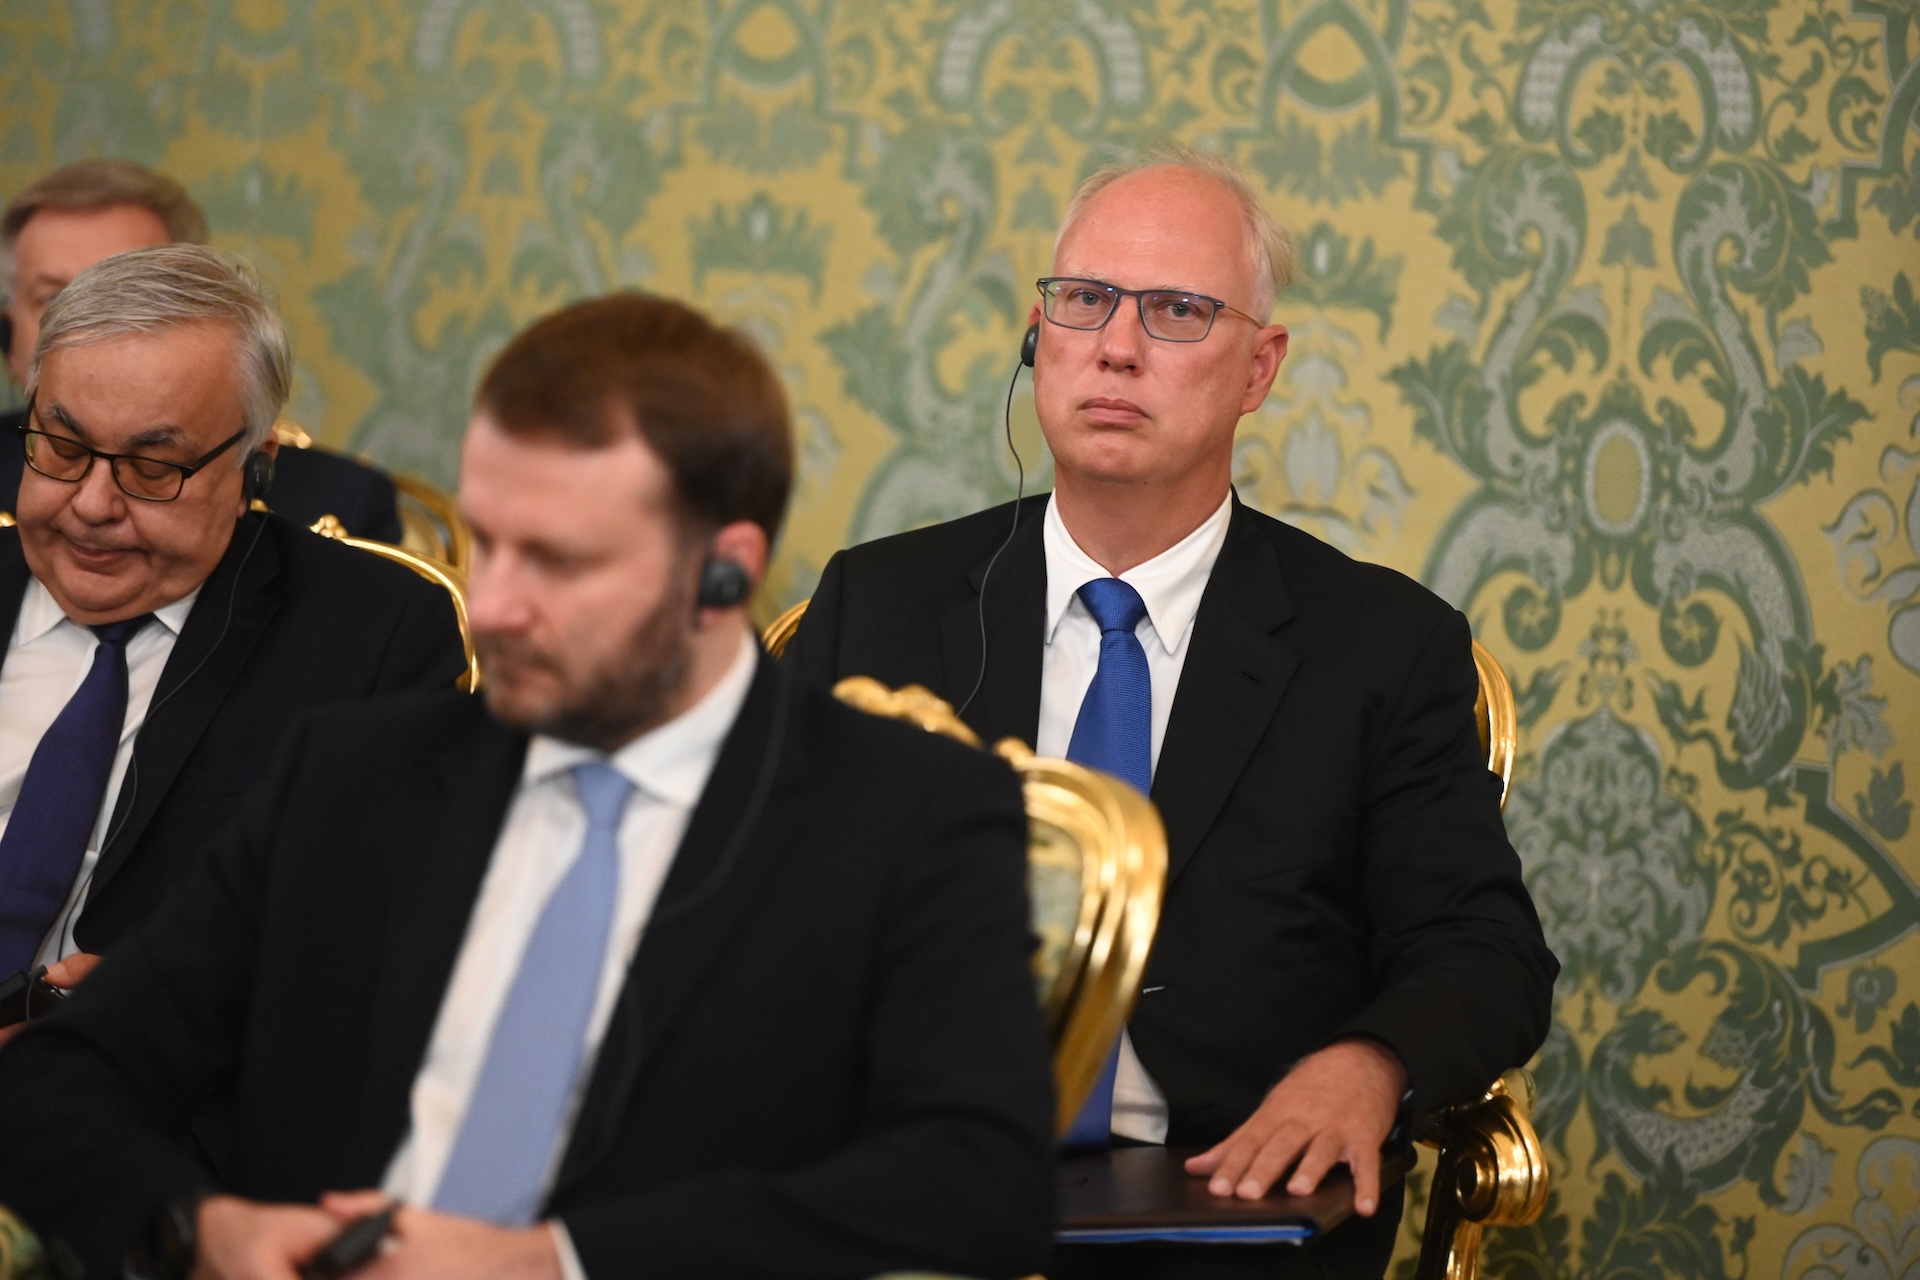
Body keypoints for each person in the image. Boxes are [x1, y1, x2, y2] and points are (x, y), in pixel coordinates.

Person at [0, 292, 1057, 1280]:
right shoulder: (354, 775)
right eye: (491, 543)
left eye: (554, 561)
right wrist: (206, 1229)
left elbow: (980, 1183)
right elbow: (60, 1081)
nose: (494, 606)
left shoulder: (905, 811)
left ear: (723, 570)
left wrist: (553, 1260)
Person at [786, 143, 1558, 1278]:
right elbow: (757, 907)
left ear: (1259, 368)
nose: (1116, 345)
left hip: (1225, 1205)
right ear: (1038, 335)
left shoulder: (1380, 646)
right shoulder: (879, 604)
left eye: (1178, 311)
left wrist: (1369, 1063)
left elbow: (1485, 952)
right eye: (1085, 299)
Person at [0, 244, 466, 1011]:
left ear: (255, 465)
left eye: (153, 468)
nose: (92, 504)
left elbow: (394, 930)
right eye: (65, 447)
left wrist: (184, 999)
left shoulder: (371, 638)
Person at [2, 158, 403, 540]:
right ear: (9, 334)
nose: (91, 331)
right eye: (55, 300)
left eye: (137, 300)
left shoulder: (341, 505)